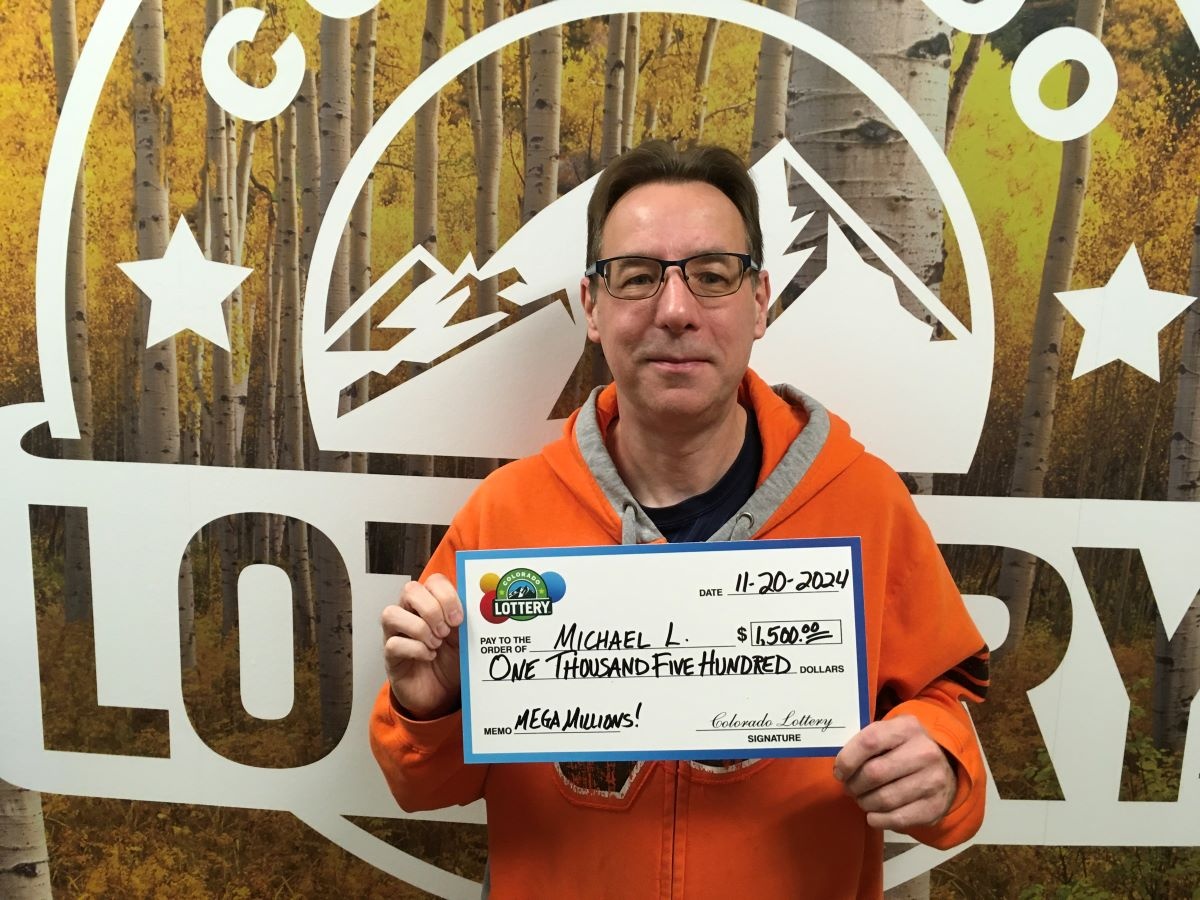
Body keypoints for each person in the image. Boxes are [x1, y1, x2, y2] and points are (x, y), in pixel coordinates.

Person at [370, 141, 989, 898]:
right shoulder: (507, 515)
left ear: (759, 301)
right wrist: (430, 706)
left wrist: (943, 762)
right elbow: (420, 785)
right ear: (592, 309)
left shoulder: (865, 502)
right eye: (636, 278)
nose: (674, 311)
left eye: (712, 276)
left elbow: (946, 711)